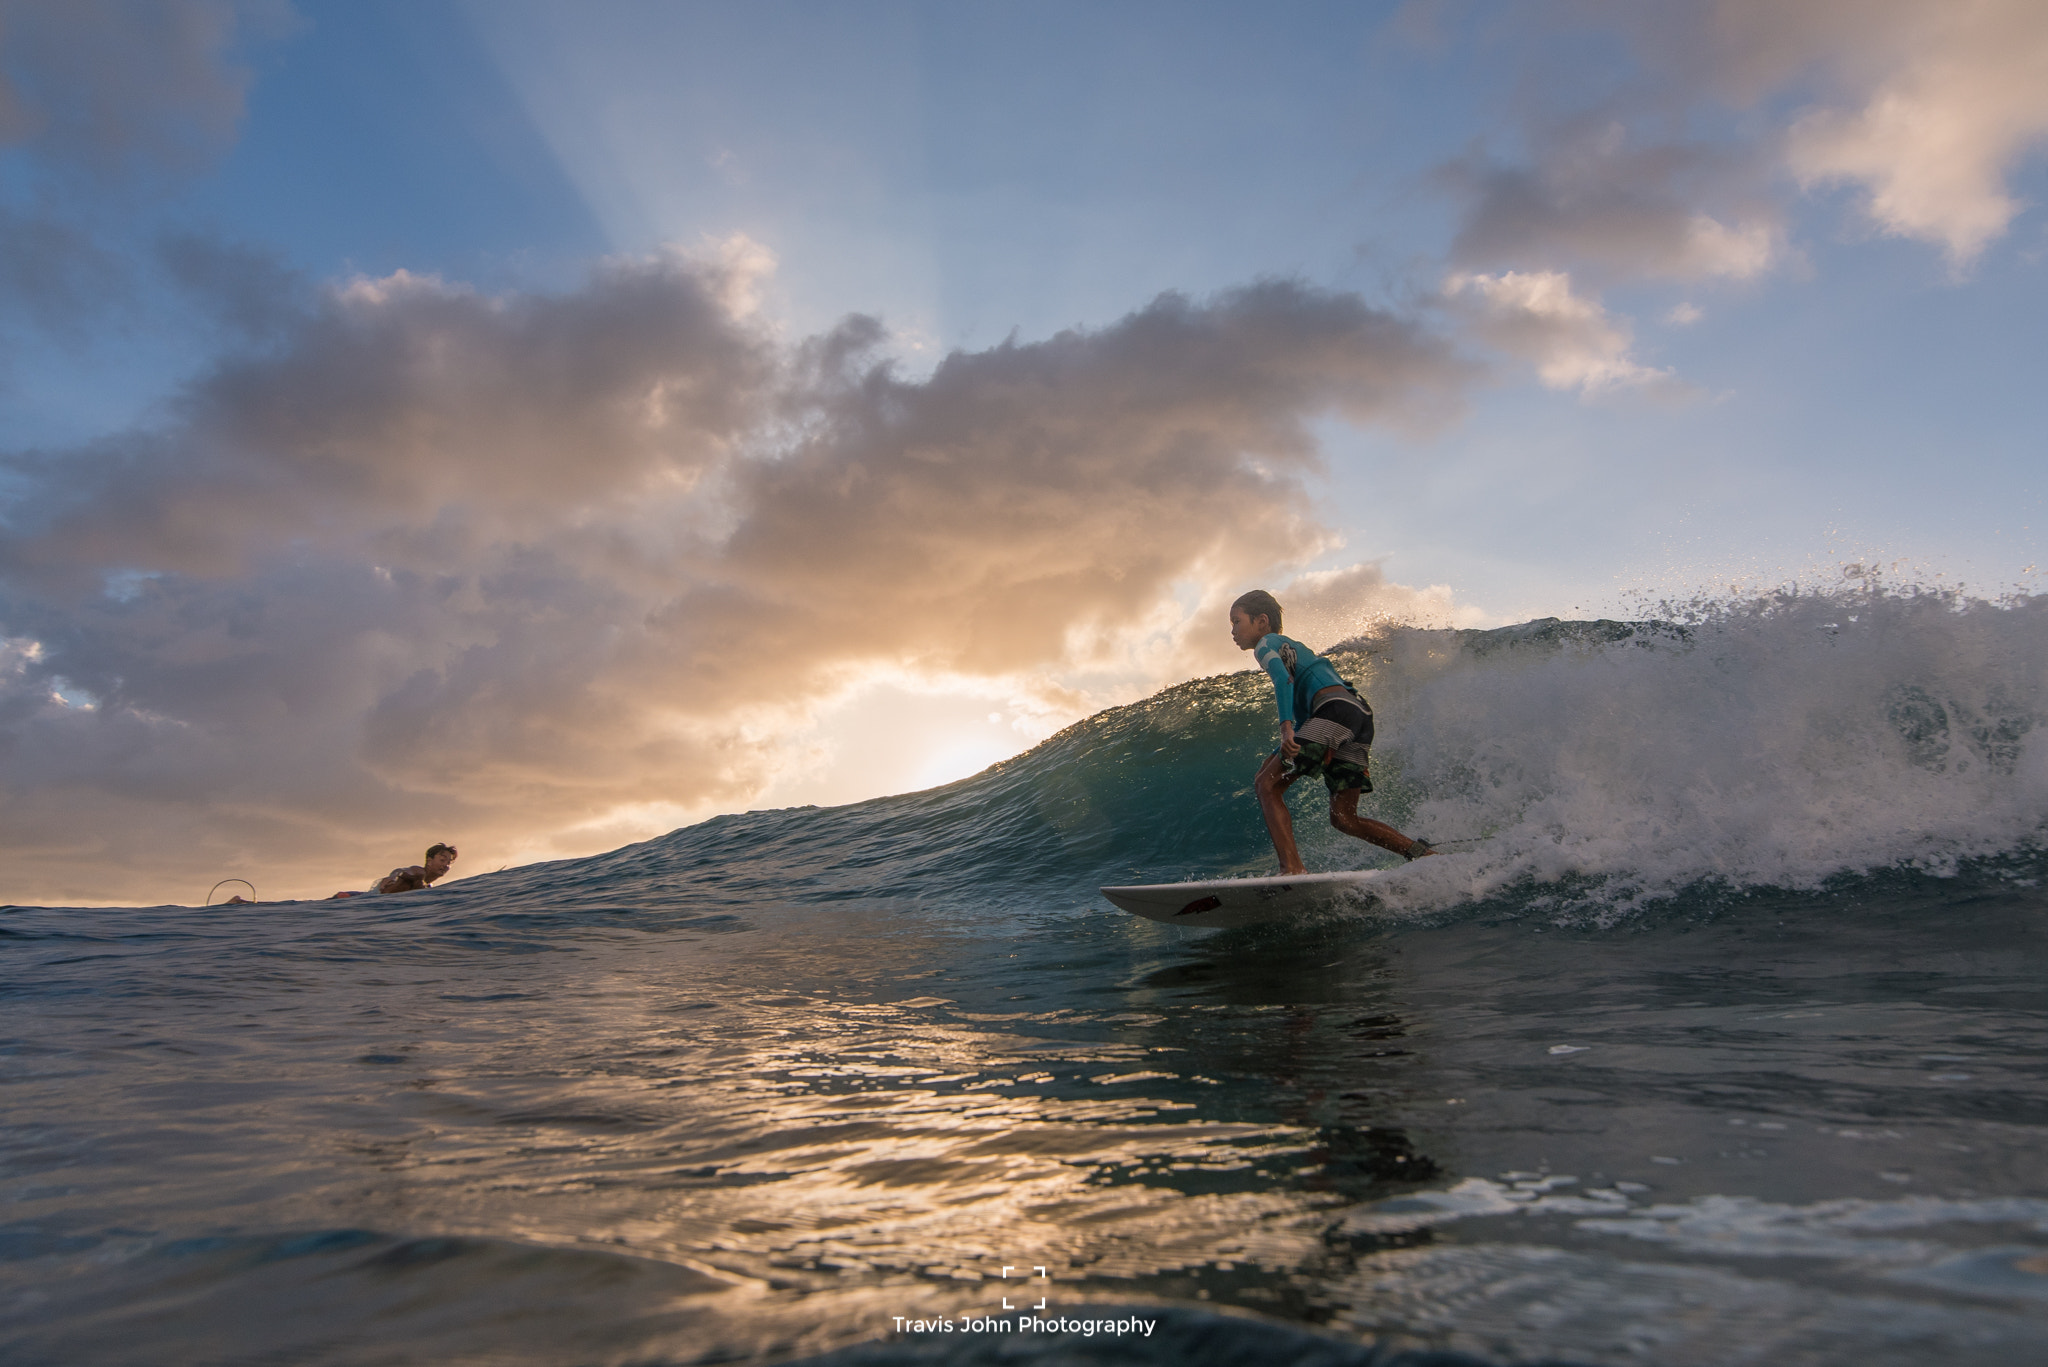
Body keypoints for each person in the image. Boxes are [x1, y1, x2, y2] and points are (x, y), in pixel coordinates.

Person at [1230, 589, 1434, 875]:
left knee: (1267, 785)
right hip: (1357, 715)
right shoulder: (1295, 648)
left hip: (1334, 711)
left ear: (1261, 621)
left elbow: (1282, 679)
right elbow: (1312, 719)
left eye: (1237, 622)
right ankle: (1423, 854)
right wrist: (1282, 748)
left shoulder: (1265, 645)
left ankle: (1292, 868)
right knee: (1344, 818)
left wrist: (1285, 728)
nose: (1233, 631)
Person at [331, 843, 458, 898]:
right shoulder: (419, 872)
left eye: (449, 862)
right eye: (442, 860)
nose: (445, 865)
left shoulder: (428, 886)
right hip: (356, 898)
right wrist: (393, 877)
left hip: (365, 899)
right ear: (429, 861)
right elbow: (403, 873)